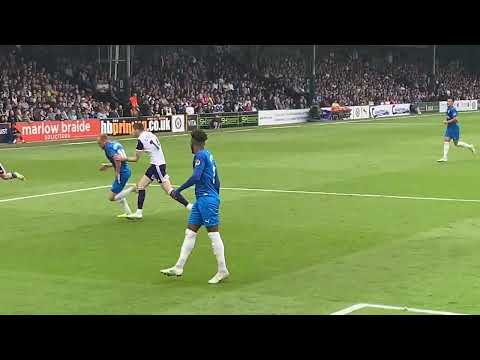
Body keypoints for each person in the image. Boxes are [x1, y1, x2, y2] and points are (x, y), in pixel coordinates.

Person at [161, 129, 229, 284]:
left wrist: (178, 190)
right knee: (190, 232)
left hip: (206, 199)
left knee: (213, 234)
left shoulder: (200, 156)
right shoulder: (209, 155)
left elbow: (196, 177)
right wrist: (214, 195)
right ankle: (178, 267)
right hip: (202, 200)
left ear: (194, 142)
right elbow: (217, 181)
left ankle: (222, 270)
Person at [125, 123, 193, 219]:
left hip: (157, 166)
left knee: (169, 190)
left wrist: (122, 158)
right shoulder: (150, 134)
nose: (131, 132)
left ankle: (190, 207)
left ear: (136, 130)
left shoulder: (140, 140)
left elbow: (136, 159)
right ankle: (139, 212)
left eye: (132, 130)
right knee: (141, 186)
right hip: (156, 165)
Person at [97, 134, 136, 217]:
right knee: (118, 193)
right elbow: (120, 159)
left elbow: (118, 160)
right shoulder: (114, 144)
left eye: (99, 143)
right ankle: (128, 213)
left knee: (111, 197)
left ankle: (132, 189)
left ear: (104, 141)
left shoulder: (108, 148)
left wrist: (117, 172)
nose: (99, 145)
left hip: (122, 173)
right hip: (125, 170)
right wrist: (108, 165)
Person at [437, 98, 476, 162]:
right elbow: (448, 117)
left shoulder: (453, 110)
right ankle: (445, 157)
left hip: (454, 128)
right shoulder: (448, 109)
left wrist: (447, 122)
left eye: (450, 101)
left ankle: (470, 146)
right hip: (449, 128)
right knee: (446, 140)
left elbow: (456, 119)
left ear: (452, 102)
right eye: (448, 101)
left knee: (456, 144)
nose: (448, 102)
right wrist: (446, 120)